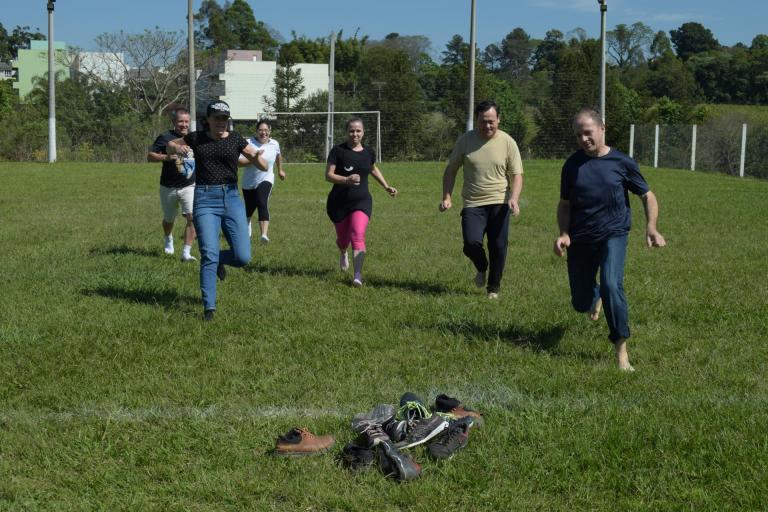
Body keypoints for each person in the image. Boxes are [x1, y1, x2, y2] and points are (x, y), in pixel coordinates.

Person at [554, 108, 666, 371]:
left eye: (588, 133)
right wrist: (563, 233)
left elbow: (647, 195)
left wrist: (651, 227)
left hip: (613, 234)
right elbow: (564, 204)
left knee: (612, 286)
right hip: (580, 237)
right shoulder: (571, 165)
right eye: (578, 135)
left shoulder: (622, 163)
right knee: (580, 302)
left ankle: (621, 352)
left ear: (602, 129)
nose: (583, 139)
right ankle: (593, 298)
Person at [167, 101, 267, 321]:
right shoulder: (196, 137)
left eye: (225, 118)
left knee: (242, 257)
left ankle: (220, 260)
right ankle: (209, 308)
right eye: (217, 118)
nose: (221, 122)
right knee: (208, 254)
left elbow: (263, 166)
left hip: (231, 199)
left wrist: (256, 157)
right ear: (208, 120)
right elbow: (170, 145)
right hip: (204, 199)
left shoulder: (236, 139)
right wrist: (178, 148)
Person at [439, 100, 524, 299]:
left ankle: (493, 288)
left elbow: (517, 174)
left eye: (491, 121)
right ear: (476, 120)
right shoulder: (465, 141)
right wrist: (447, 196)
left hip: (500, 202)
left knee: (498, 247)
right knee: (470, 243)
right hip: (473, 203)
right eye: (483, 121)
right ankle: (481, 266)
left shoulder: (508, 142)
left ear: (499, 120)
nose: (487, 126)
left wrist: (514, 198)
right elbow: (451, 170)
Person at [325, 117, 397, 287]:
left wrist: (386, 186)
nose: (355, 134)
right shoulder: (338, 151)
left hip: (361, 201)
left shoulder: (368, 152)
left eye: (358, 131)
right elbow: (328, 175)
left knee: (357, 234)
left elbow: (372, 168)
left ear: (363, 132)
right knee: (343, 239)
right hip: (339, 202)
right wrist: (346, 179)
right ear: (346, 132)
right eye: (351, 130)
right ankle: (343, 252)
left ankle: (357, 275)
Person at [146, 108, 197, 261]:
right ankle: (168, 237)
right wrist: (167, 157)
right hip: (168, 186)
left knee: (192, 217)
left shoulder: (194, 138)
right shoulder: (165, 137)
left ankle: (186, 252)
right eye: (181, 121)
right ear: (174, 122)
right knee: (169, 219)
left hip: (189, 185)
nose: (184, 124)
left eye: (186, 121)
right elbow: (150, 156)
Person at [239, 119, 285, 244]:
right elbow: (239, 163)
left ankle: (264, 235)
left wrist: (280, 170)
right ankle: (246, 230)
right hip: (249, 182)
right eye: (260, 130)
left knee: (262, 201)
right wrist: (255, 158)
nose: (263, 133)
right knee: (248, 210)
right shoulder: (248, 143)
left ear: (270, 131)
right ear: (256, 131)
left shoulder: (274, 144)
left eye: (266, 130)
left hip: (266, 178)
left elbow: (278, 155)